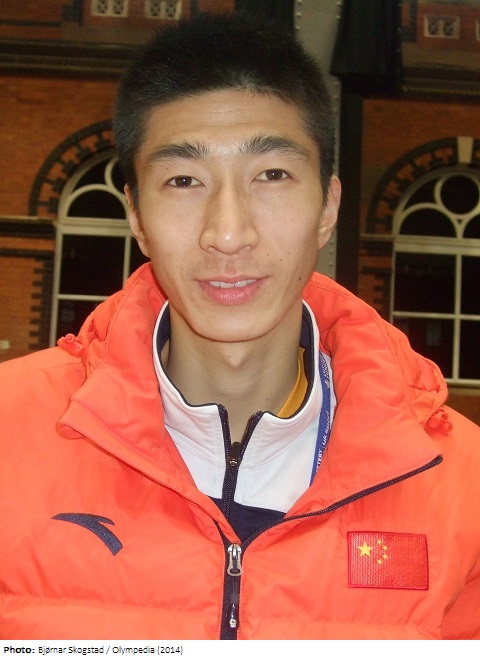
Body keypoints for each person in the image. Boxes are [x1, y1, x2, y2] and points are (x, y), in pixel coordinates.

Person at [1, 12, 480, 641]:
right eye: (183, 181)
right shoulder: (12, 434)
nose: (228, 234)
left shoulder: (460, 485)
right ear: (137, 217)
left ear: (328, 207)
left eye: (271, 176)